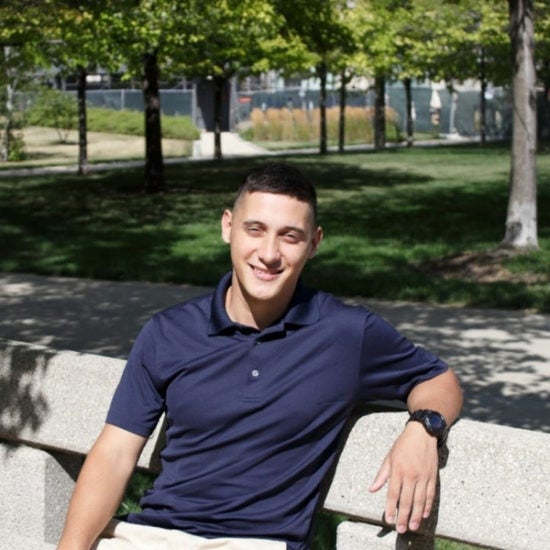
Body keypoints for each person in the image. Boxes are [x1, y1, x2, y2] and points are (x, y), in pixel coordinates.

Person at [57, 162, 463, 550]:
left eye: (290, 236)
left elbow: (438, 380)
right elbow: (114, 453)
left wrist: (423, 429)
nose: (269, 253)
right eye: (255, 229)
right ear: (227, 227)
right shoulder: (168, 332)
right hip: (153, 536)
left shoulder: (345, 333)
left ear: (314, 244)